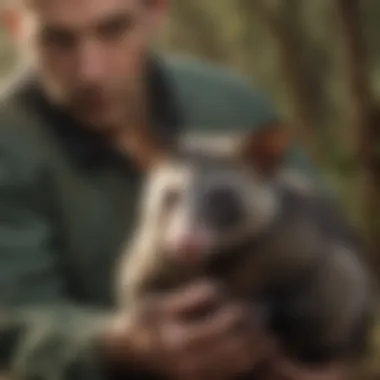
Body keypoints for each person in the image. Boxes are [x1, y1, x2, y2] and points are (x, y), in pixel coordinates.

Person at [0, 0, 364, 379]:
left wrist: (326, 366)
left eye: (114, 30)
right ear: (16, 27)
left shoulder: (232, 105)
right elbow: (14, 321)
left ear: (155, 12)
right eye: (57, 40)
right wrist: (119, 345)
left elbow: (333, 252)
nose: (92, 71)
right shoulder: (7, 145)